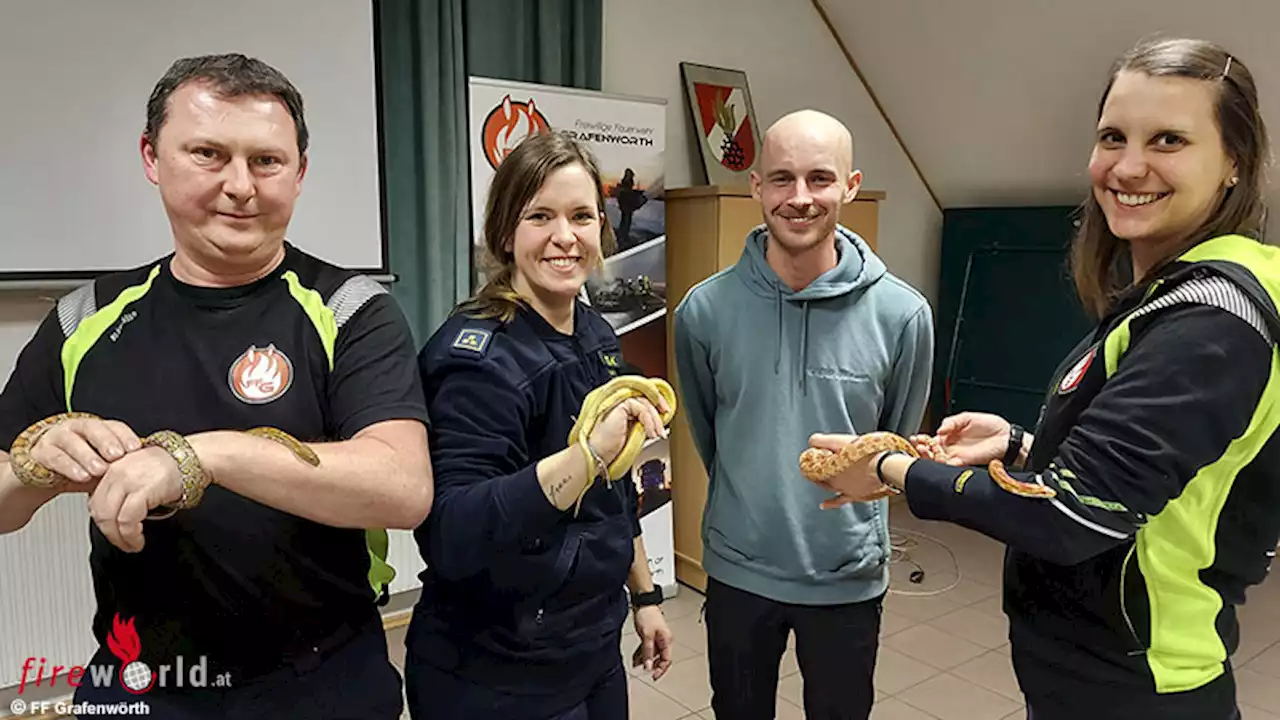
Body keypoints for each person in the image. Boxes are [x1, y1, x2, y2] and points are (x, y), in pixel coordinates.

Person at [804, 37, 1280, 720]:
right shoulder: (1170, 292)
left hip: (1137, 686)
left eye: (1169, 140)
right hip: (1083, 668)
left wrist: (888, 470)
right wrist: (1021, 448)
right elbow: (1137, 478)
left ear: (1234, 162)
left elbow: (1068, 518)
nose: (1129, 165)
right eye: (1113, 136)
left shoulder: (1212, 323)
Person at [0, 53, 432, 718]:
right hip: (140, 681)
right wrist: (41, 461)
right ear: (151, 157)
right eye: (207, 153)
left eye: (266, 161)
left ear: (300, 172)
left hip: (319, 679)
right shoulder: (83, 319)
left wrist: (197, 459)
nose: (240, 185)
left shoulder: (349, 307)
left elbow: (402, 488)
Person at [672, 108, 934, 720]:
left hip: (846, 575)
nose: (800, 197)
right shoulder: (704, 312)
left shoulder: (902, 315)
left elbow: (893, 445)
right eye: (782, 178)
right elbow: (710, 433)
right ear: (755, 186)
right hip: (738, 571)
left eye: (820, 178)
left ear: (850, 185)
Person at [406, 129, 676, 720]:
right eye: (540, 216)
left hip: (590, 652)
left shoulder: (596, 335)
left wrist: (644, 595)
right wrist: (584, 461)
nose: (565, 236)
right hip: (496, 676)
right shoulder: (475, 360)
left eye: (582, 216)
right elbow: (451, 532)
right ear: (506, 233)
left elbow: (615, 495)